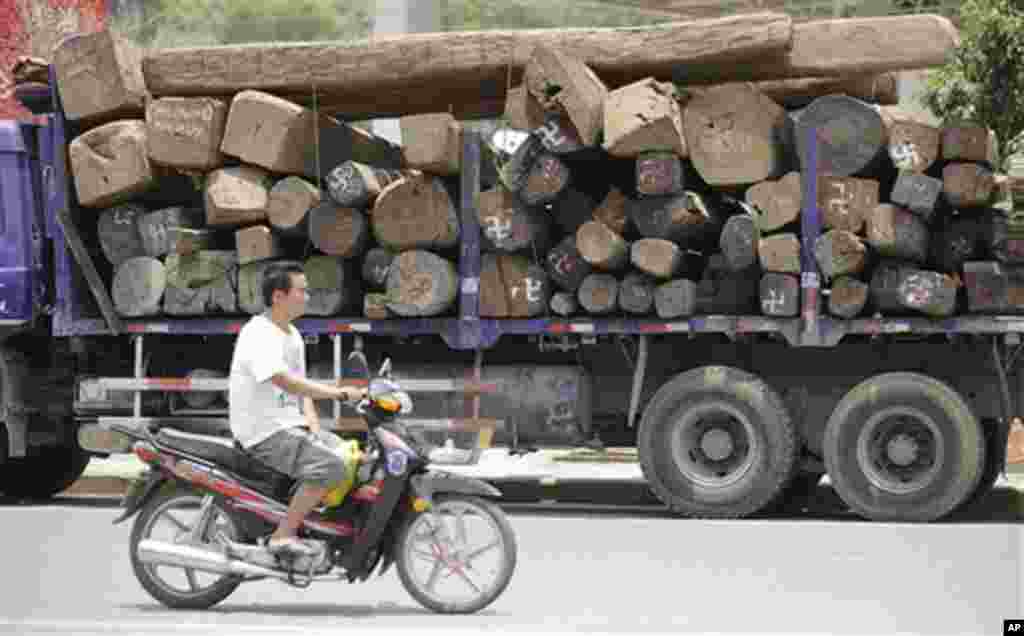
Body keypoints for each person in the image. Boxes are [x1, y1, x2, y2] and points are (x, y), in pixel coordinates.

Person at [228, 262, 364, 556]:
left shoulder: (292, 335)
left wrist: (314, 428)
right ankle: (282, 535)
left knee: (352, 457)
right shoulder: (259, 333)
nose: (308, 297)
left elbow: (302, 392)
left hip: (288, 427)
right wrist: (339, 394)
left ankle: (316, 524)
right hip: (263, 432)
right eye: (302, 291)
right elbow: (284, 381)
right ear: (278, 296)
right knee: (331, 466)